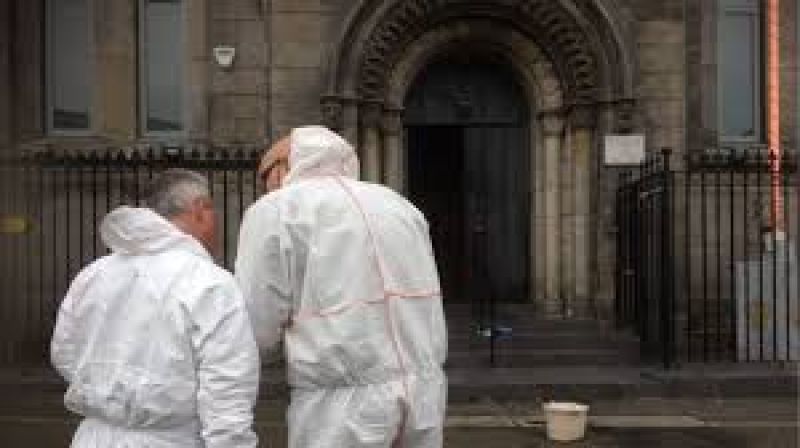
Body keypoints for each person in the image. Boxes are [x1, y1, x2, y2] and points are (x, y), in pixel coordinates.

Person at [236, 126, 447, 448]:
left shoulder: (276, 210)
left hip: (341, 406)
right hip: (423, 393)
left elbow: (256, 321)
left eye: (264, 174)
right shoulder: (400, 206)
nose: (264, 185)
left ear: (282, 167)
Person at [51, 168, 260, 448]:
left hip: (94, 437)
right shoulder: (210, 283)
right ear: (201, 209)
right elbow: (227, 388)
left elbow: (64, 353)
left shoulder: (93, 275)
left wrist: (111, 395)